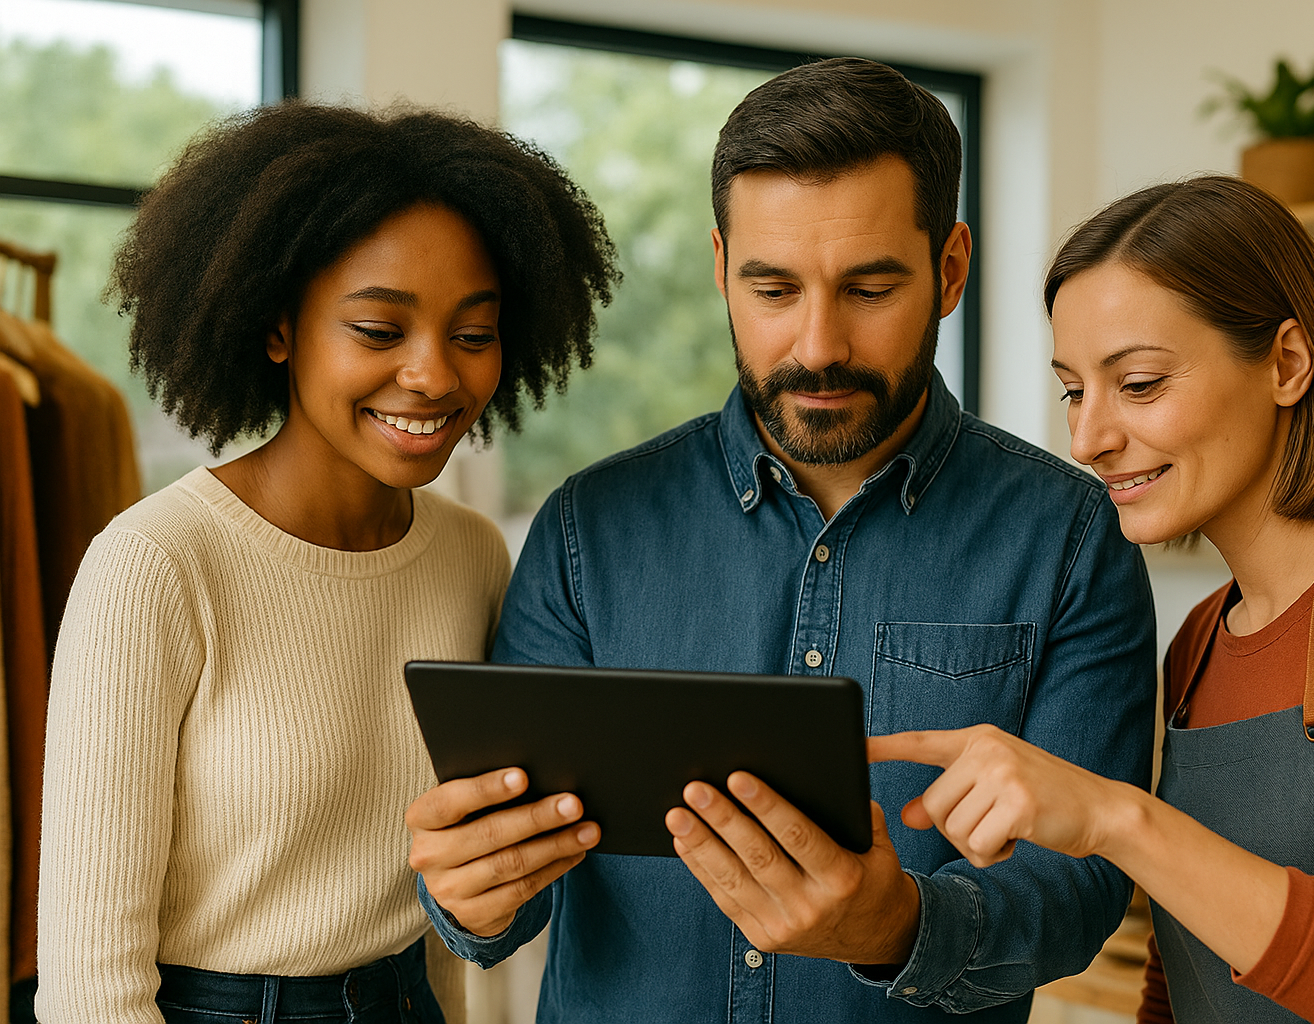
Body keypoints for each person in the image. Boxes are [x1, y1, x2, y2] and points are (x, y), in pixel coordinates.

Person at [405, 56, 1157, 1022]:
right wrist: (470, 894)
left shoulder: (1072, 538)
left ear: (951, 270)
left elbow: (1085, 890)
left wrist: (898, 928)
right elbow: (505, 897)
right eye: (772, 290)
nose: (816, 345)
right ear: (721, 268)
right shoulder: (588, 529)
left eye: (870, 288)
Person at [869, 175, 1314, 1024]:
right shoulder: (1200, 641)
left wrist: (1117, 818)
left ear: (1287, 364)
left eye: (1139, 384)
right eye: (1075, 389)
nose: (1088, 438)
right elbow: (1184, 980)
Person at [37, 103, 618, 1024]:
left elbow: (445, 895)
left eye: (473, 335)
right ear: (279, 329)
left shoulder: (469, 555)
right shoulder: (154, 566)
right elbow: (86, 989)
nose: (434, 375)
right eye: (379, 331)